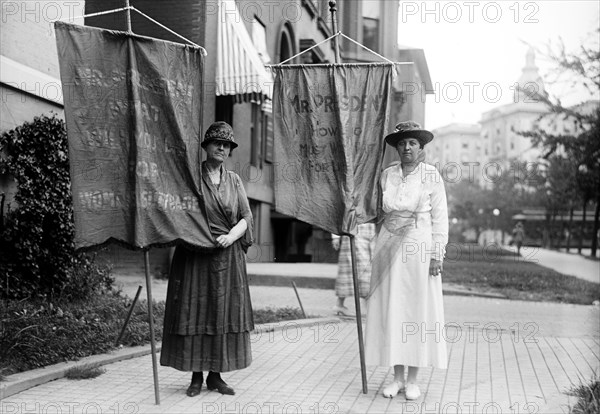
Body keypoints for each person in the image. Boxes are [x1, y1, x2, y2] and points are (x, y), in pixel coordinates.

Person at [160, 121, 254, 397]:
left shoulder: (234, 180)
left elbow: (247, 217)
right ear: (206, 147)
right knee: (194, 311)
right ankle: (196, 376)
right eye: (217, 143)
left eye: (227, 145)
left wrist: (232, 236)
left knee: (221, 314)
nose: (222, 148)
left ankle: (216, 376)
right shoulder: (191, 176)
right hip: (195, 255)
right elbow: (179, 213)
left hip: (228, 256)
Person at [365, 121, 449, 400]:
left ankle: (413, 379)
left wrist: (437, 254)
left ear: (421, 146)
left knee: (416, 311)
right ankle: (396, 377)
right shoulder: (387, 175)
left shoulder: (431, 176)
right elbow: (375, 210)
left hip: (418, 247)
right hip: (389, 246)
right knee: (393, 309)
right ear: (397, 147)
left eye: (412, 142)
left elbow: (440, 219)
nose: (407, 147)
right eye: (402, 143)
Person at [331, 223, 375, 316]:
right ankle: (368, 305)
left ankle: (340, 304)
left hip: (369, 231)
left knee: (366, 268)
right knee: (357, 270)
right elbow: (339, 213)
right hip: (354, 232)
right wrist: (336, 237)